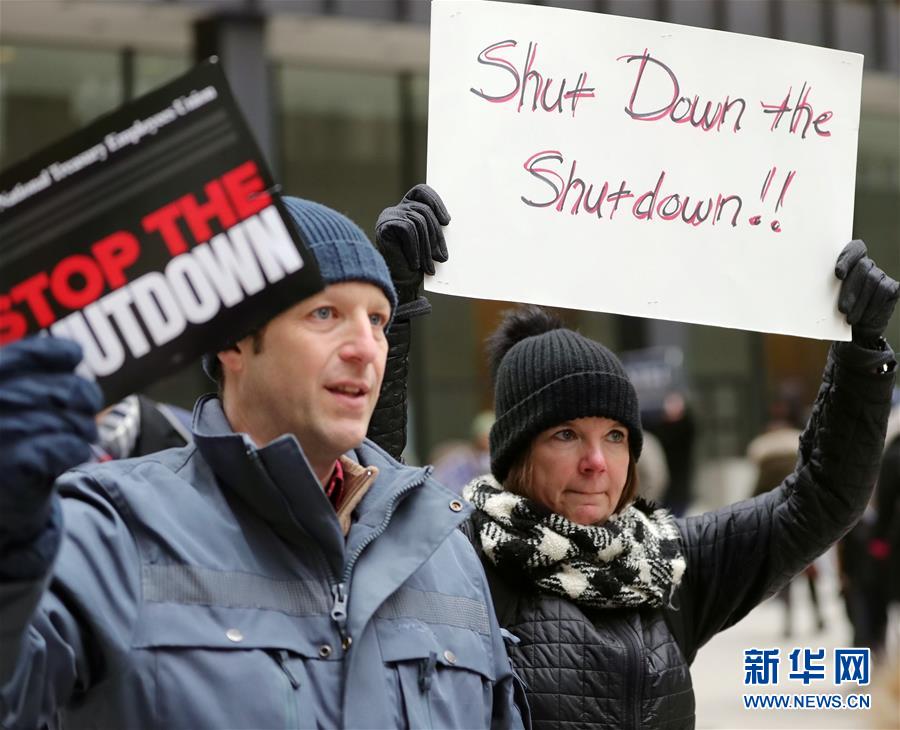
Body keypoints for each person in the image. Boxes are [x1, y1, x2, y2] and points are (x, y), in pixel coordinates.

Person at [0, 196, 523, 729]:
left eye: (377, 321)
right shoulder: (112, 529)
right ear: (234, 342)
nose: (366, 349)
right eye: (325, 314)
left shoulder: (447, 553)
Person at [456, 239, 896, 728]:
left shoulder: (667, 564)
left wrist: (860, 354)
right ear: (516, 453)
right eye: (566, 435)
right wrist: (399, 306)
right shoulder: (461, 562)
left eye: (615, 436)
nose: (597, 462)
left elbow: (821, 500)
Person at [747, 393, 826, 637]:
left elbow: (757, 493)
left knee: (788, 572)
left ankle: (790, 622)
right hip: (804, 518)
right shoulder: (800, 450)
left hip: (780, 520)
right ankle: (819, 616)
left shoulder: (765, 458)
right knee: (810, 569)